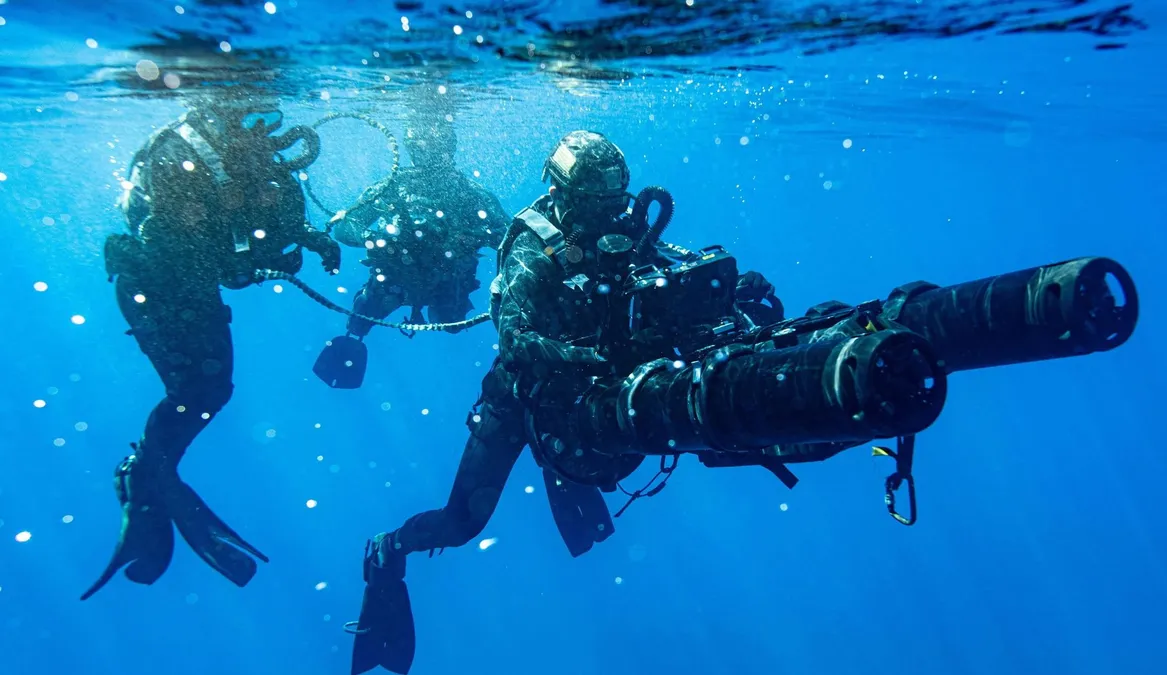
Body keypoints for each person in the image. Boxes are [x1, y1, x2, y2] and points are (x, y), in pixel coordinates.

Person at [343, 130, 781, 675]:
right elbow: (516, 341)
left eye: (615, 201)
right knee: (462, 523)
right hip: (520, 396)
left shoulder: (625, 224)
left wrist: (726, 292)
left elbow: (666, 267)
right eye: (595, 202)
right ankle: (387, 550)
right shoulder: (533, 244)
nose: (608, 214)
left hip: (588, 388)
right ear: (562, 192)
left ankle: (565, 470)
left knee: (637, 444)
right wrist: (595, 355)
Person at [81, 95, 341, 602]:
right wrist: (252, 258)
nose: (261, 131)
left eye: (268, 119)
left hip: (190, 293)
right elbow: (189, 250)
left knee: (210, 391)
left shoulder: (247, 163)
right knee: (197, 391)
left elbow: (256, 236)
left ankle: (152, 475)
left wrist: (309, 239)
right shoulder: (176, 155)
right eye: (249, 119)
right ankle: (146, 476)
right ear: (218, 117)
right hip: (156, 293)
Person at [312, 111, 509, 389]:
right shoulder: (394, 186)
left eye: (433, 147)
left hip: (447, 280)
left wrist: (474, 238)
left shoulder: (470, 194)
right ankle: (351, 344)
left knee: (449, 323)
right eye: (419, 147)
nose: (426, 155)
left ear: (448, 148)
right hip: (395, 277)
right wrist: (373, 238)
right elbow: (345, 226)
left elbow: (508, 236)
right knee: (359, 322)